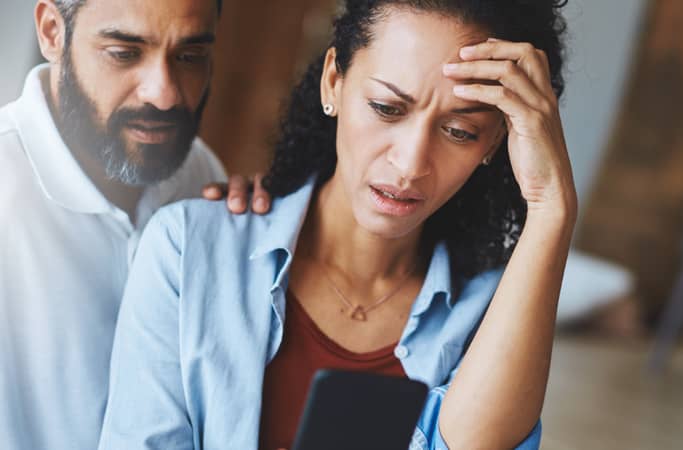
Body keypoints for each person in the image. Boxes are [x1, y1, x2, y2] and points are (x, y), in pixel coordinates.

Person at [99, 0, 574, 448]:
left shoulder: (493, 312)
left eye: (460, 132)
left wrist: (552, 207)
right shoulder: (189, 249)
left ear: (496, 140)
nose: (410, 163)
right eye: (387, 108)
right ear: (334, 82)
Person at [0, 0, 269, 448]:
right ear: (52, 32)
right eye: (124, 53)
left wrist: (246, 231)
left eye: (190, 57)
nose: (163, 94)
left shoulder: (202, 176)